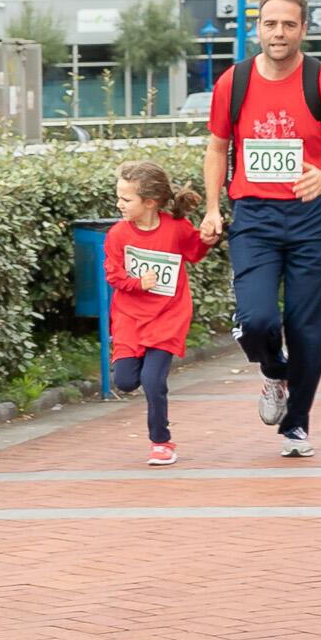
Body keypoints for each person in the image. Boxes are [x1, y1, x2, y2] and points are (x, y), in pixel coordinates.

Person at [200, 0, 321, 458]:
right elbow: (216, 148)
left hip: (312, 217)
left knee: (308, 329)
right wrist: (213, 208)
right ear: (258, 28)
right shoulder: (233, 83)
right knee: (256, 320)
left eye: (288, 25)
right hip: (254, 217)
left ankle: (296, 424)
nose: (279, 33)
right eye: (271, 24)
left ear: (302, 30)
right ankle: (274, 371)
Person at [104, 160, 210, 466]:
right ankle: (158, 434)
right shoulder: (118, 235)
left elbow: (194, 252)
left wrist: (208, 239)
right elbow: (112, 274)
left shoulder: (175, 228)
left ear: (149, 202)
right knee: (125, 381)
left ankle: (161, 442)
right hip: (129, 318)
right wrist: (138, 283)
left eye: (126, 199)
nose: (119, 204)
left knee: (152, 380)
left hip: (168, 316)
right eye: (119, 197)